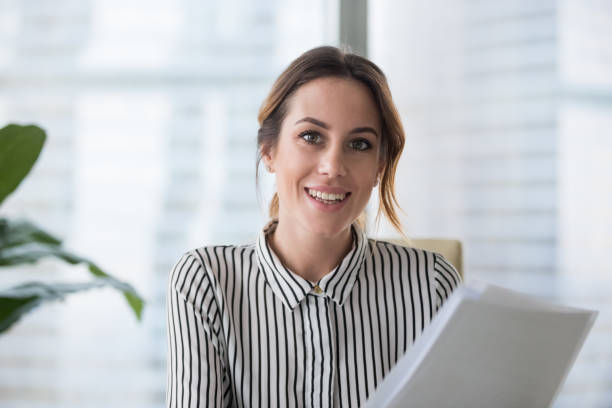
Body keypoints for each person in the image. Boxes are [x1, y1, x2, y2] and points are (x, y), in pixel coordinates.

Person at [166, 46, 461, 408]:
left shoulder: (432, 286)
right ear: (269, 150)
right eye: (311, 136)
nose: (333, 166)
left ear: (379, 166)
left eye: (359, 144)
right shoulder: (207, 282)